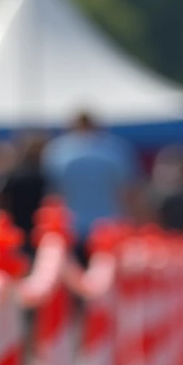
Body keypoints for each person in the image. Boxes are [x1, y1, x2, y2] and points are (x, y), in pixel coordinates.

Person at [42, 111, 139, 265]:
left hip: (71, 226)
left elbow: (53, 194)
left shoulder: (57, 150)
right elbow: (128, 191)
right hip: (109, 225)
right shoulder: (115, 149)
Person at [0, 132, 47, 253]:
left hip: (18, 227)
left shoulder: (13, 174)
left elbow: (2, 201)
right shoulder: (41, 176)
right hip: (36, 228)